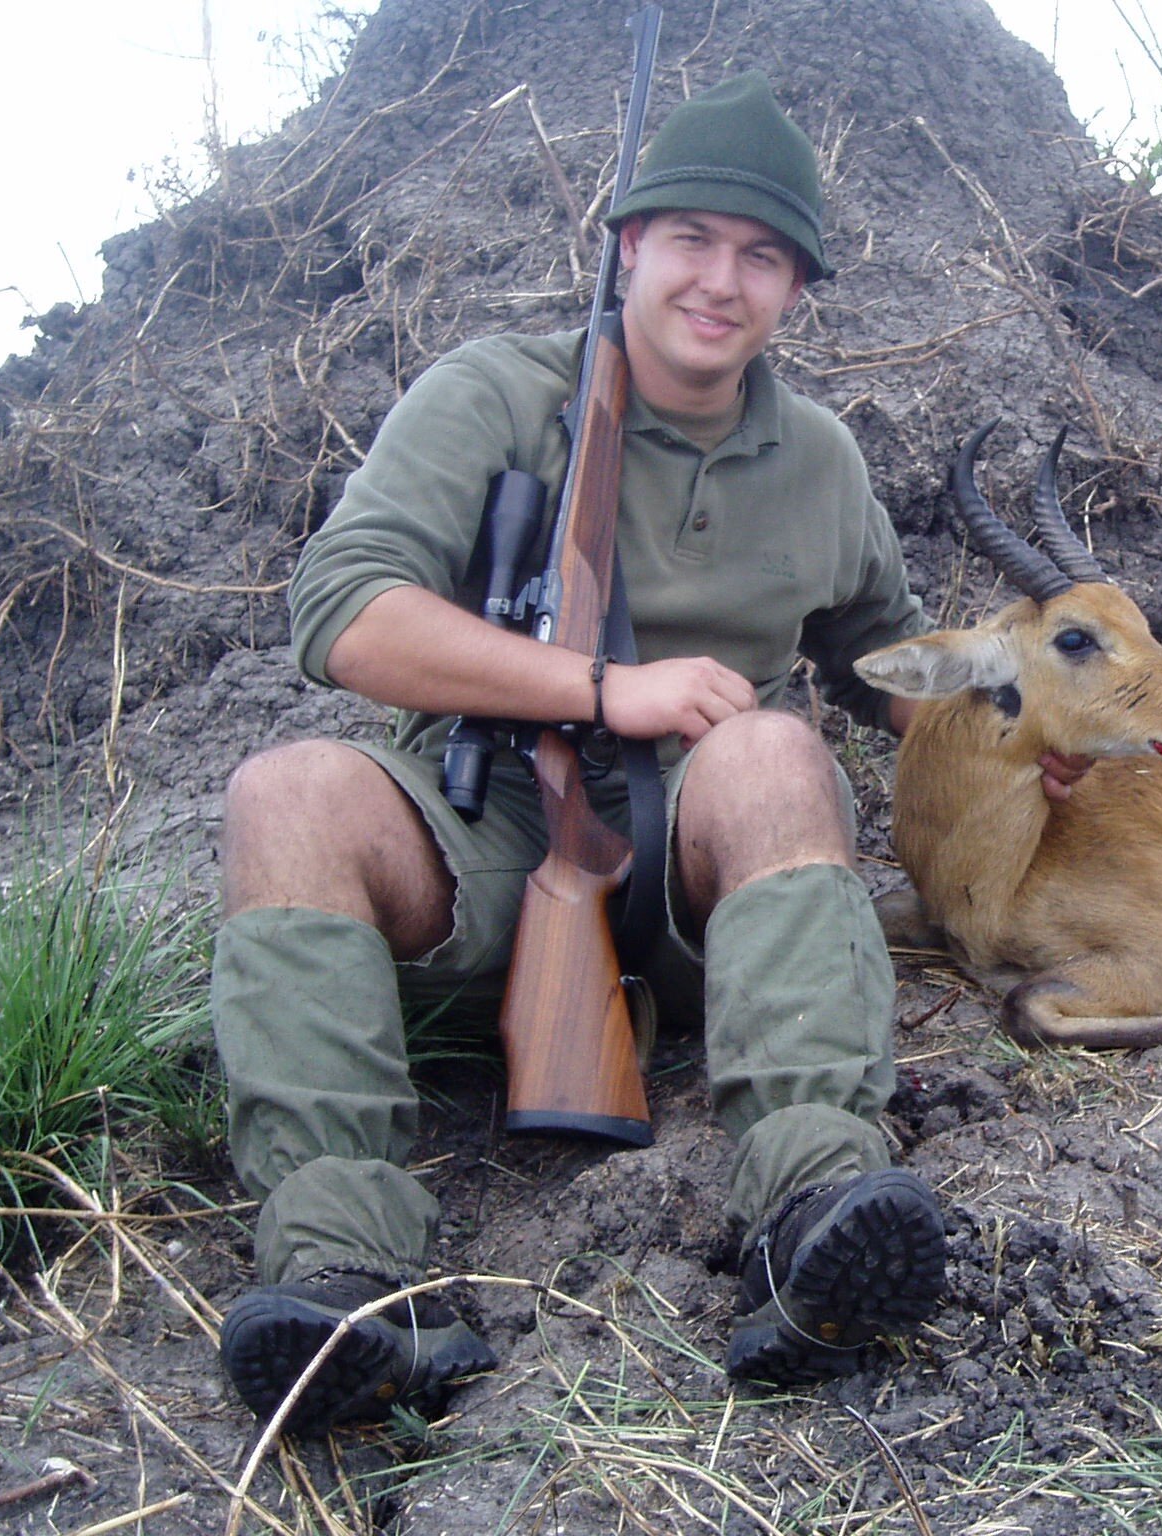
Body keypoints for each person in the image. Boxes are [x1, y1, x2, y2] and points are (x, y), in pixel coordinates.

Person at [213, 71, 954, 1427]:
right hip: (492, 834)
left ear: (793, 288)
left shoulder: (826, 462)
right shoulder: (496, 393)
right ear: (630, 245)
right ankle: (341, 1276)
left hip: (703, 891)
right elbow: (345, 611)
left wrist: (1032, 740)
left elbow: (885, 662)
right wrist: (600, 686)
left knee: (778, 751)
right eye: (691, 239)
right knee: (289, 793)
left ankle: (813, 1211)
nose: (720, 280)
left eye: (762, 255)